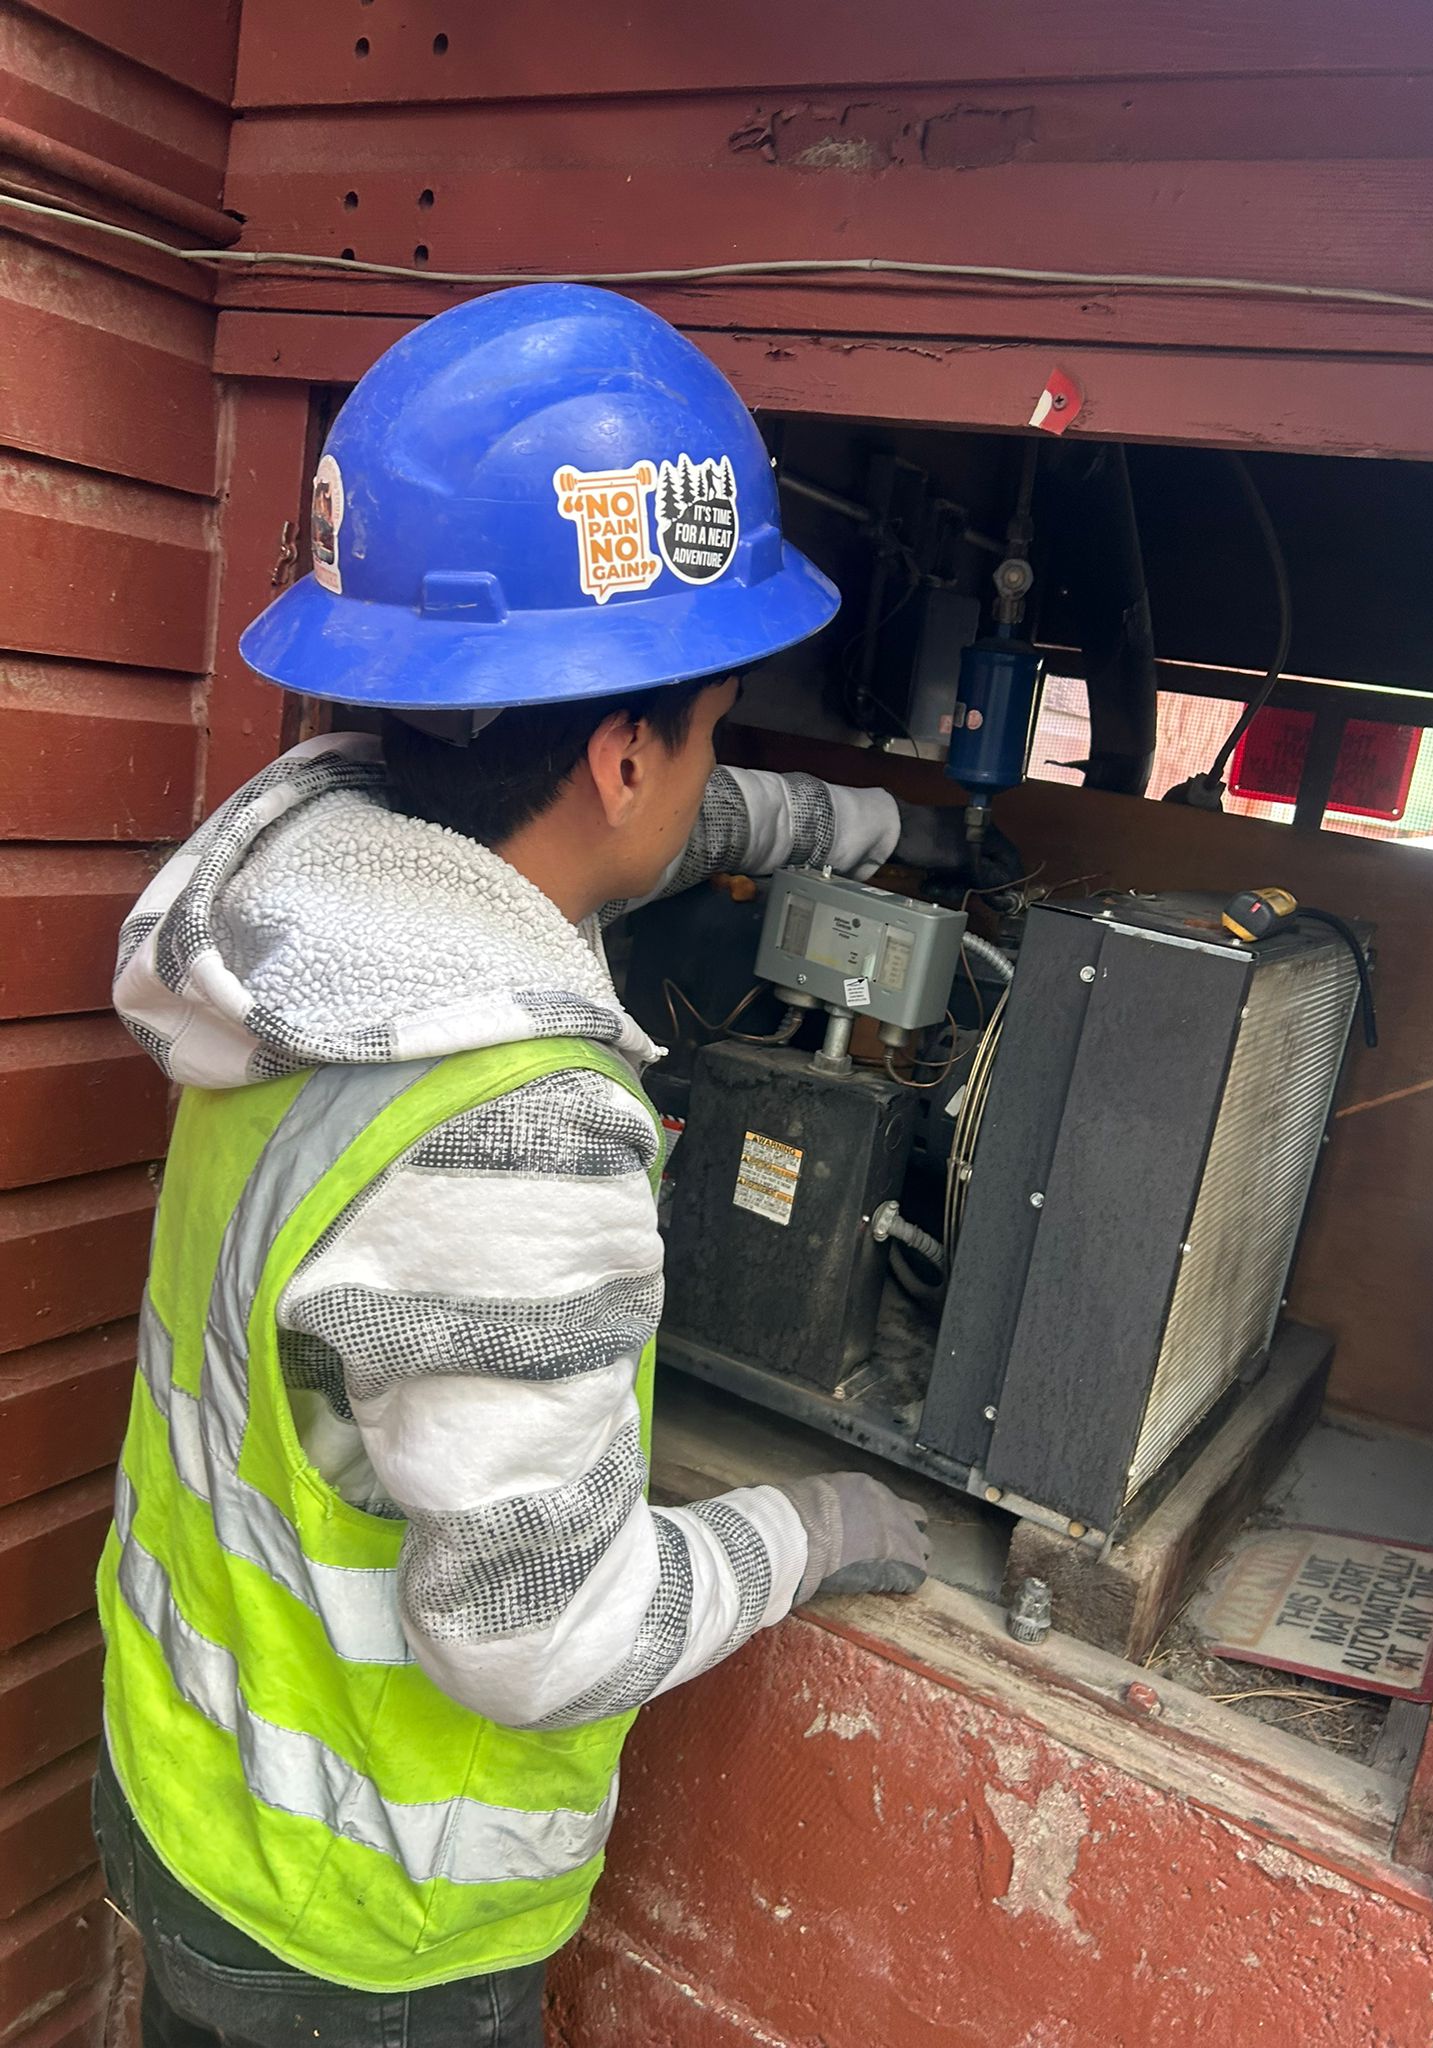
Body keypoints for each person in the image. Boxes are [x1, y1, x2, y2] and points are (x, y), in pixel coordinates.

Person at [95, 284, 983, 2047]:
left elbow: (659, 820)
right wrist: (804, 1534)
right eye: (716, 728)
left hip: (186, 1779)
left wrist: (887, 833)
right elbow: (538, 1637)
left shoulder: (303, 915)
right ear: (623, 748)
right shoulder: (513, 1116)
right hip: (366, 1913)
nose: (716, 768)